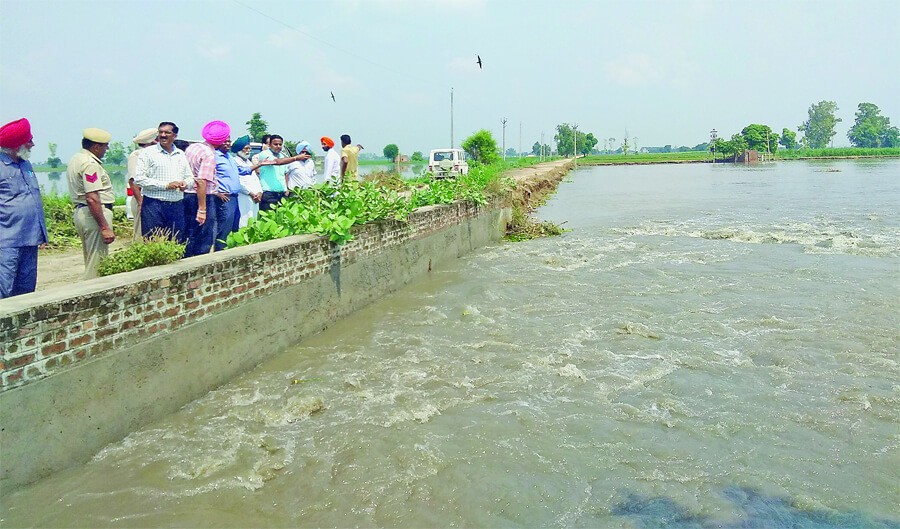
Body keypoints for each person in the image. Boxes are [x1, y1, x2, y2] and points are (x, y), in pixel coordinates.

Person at [0, 118, 48, 298]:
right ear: (15, 144)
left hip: (30, 239)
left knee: (26, 290)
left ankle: (23, 327)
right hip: (6, 242)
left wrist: (42, 234)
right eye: (29, 141)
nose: (32, 144)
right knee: (5, 289)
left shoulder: (26, 164)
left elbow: (34, 199)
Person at [66, 128, 116, 279]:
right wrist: (105, 227)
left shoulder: (76, 158)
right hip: (94, 214)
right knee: (97, 263)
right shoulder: (90, 164)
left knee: (91, 259)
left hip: (84, 212)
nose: (106, 149)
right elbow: (92, 198)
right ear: (96, 146)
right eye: (105, 146)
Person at [134, 122, 194, 242]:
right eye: (160, 132)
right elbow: (139, 179)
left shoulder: (181, 154)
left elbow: (190, 178)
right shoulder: (148, 153)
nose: (163, 135)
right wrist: (166, 185)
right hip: (154, 204)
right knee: (151, 240)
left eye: (167, 132)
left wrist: (185, 184)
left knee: (176, 240)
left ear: (174, 136)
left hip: (176, 204)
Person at [212, 136, 267, 250]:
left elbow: (245, 172)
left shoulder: (230, 158)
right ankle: (220, 250)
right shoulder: (215, 157)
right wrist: (216, 192)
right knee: (227, 225)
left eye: (228, 141)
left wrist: (260, 164)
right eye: (224, 142)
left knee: (238, 224)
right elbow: (209, 177)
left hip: (237, 197)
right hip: (231, 197)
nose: (248, 151)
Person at [182, 120, 227, 257]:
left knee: (189, 232)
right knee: (204, 235)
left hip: (187, 194)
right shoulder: (209, 154)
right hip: (202, 196)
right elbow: (202, 181)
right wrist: (202, 209)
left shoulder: (193, 148)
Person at [126, 127, 158, 239]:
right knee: (141, 231)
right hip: (142, 198)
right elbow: (133, 181)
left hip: (154, 199)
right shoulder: (137, 155)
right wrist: (140, 202)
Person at [232, 136, 263, 228]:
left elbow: (256, 179)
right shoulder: (235, 162)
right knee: (243, 220)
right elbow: (237, 182)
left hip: (255, 197)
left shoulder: (249, 163)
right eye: (246, 148)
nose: (248, 151)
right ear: (239, 150)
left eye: (249, 148)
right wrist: (251, 193)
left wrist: (260, 192)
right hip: (244, 196)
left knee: (254, 220)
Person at [257, 134, 290, 211]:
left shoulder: (282, 156)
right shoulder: (264, 154)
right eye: (275, 144)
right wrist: (296, 158)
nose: (278, 146)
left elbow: (285, 173)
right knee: (268, 219)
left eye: (280, 144)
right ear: (269, 145)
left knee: (281, 220)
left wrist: (286, 188)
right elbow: (277, 162)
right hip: (269, 194)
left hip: (282, 193)